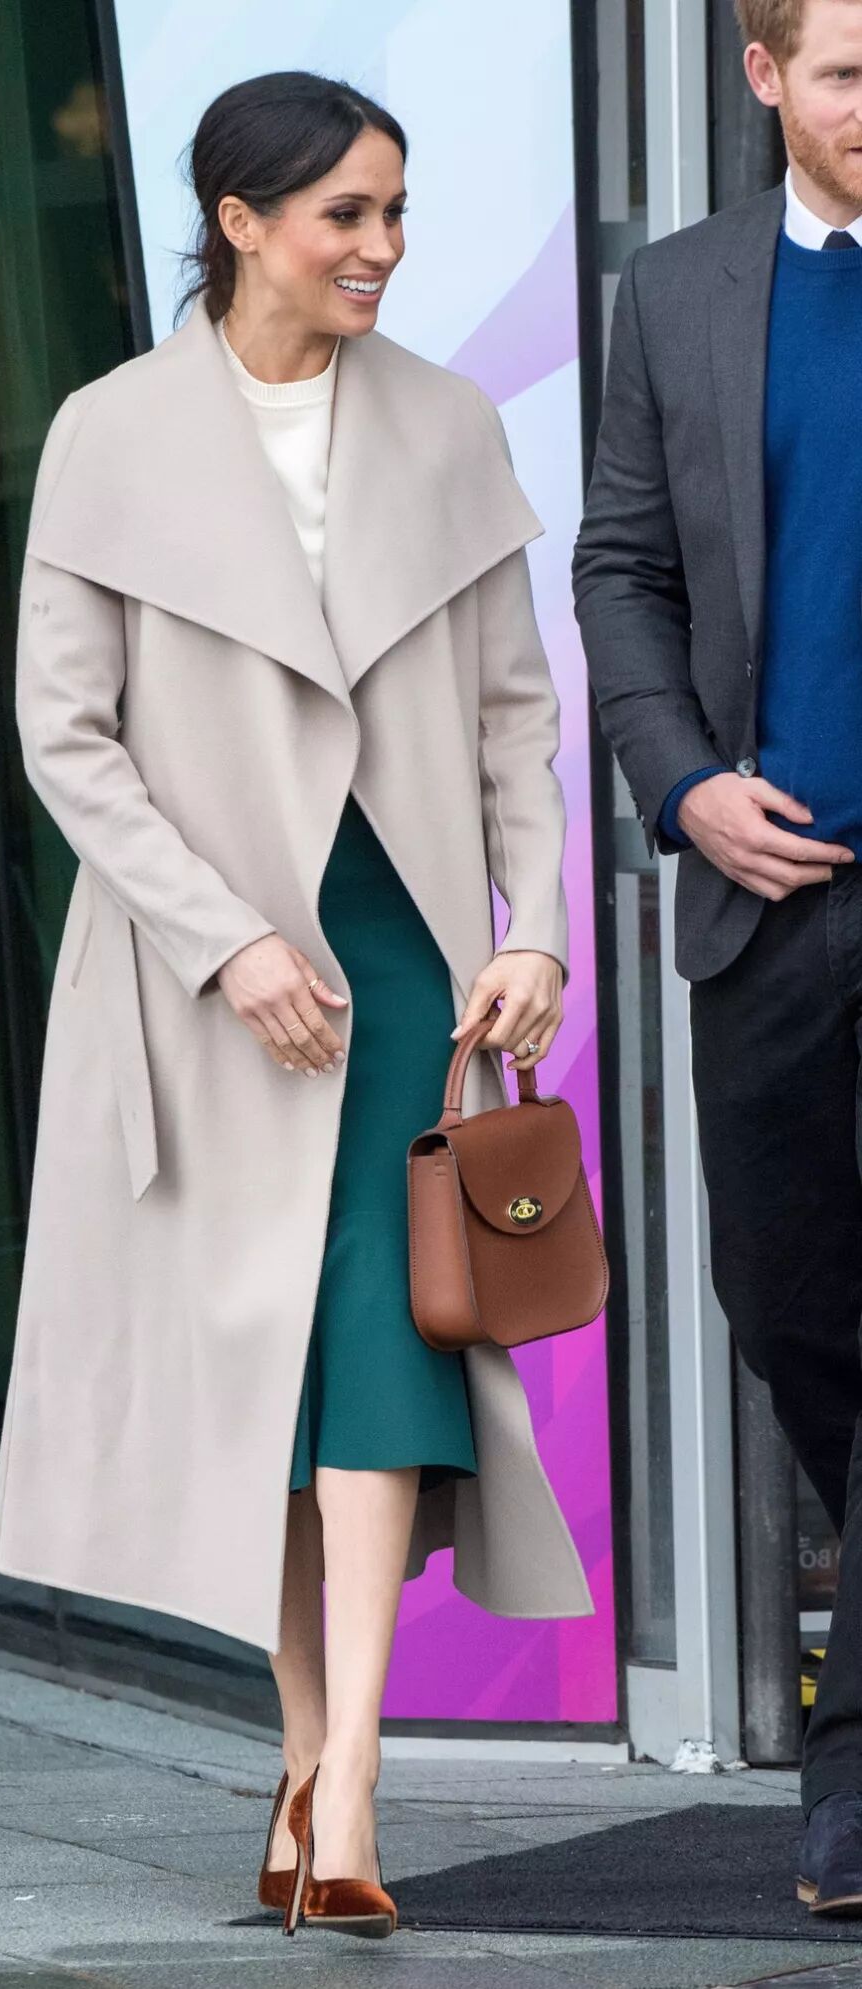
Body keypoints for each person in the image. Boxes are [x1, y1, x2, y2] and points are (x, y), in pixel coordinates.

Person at [0, 70, 591, 1938]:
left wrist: (536, 928)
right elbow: (66, 738)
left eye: (396, 211)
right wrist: (224, 939)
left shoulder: (444, 419)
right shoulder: (111, 433)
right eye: (346, 214)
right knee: (264, 1374)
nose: (384, 246)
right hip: (207, 975)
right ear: (239, 221)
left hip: (406, 959)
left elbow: (513, 715)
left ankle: (351, 1788)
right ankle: (307, 1759)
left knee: (383, 1349)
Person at [573, 0, 862, 1920]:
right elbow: (622, 567)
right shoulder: (675, 294)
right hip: (769, 887)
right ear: (762, 79)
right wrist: (682, 785)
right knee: (785, 1300)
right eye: (848, 70)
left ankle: (849, 1765)